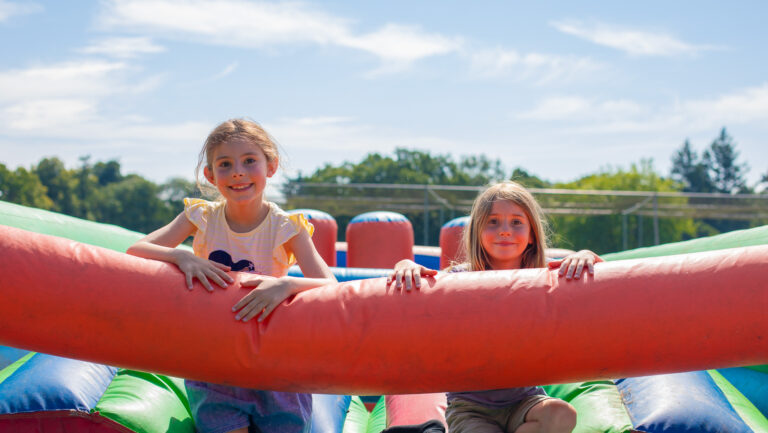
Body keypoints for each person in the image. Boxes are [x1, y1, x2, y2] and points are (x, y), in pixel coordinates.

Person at [127, 118, 336, 433]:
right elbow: (135, 251)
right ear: (210, 175)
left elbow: (330, 287)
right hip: (215, 363)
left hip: (273, 366)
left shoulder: (286, 228)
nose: (238, 172)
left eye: (250, 161)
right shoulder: (201, 217)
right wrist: (181, 256)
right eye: (225, 164)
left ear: (271, 166)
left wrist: (286, 285)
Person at [387, 181, 603, 433]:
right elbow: (428, 287)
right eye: (493, 222)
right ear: (477, 231)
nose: (505, 231)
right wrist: (404, 264)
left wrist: (587, 255)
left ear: (532, 234)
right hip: (471, 407)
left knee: (561, 413)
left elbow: (607, 287)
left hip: (524, 400)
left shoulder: (543, 275)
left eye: (516, 222)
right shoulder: (459, 280)